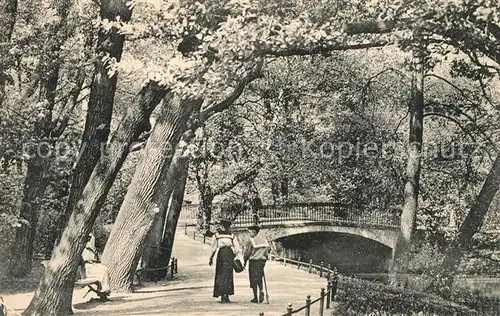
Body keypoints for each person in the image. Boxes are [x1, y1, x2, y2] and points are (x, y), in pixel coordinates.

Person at [209, 218, 240, 303]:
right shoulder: (232, 236)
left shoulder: (217, 236)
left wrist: (211, 258)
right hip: (229, 255)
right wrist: (233, 254)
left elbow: (213, 248)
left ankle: (222, 295)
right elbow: (237, 248)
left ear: (223, 226)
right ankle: (227, 294)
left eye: (221, 225)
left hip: (221, 255)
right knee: (228, 275)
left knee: (220, 274)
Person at [243, 225, 270, 303]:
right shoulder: (263, 240)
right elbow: (268, 251)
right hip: (262, 261)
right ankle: (261, 290)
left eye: (250, 232)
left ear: (254, 232)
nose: (249, 234)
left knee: (253, 278)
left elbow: (247, 253)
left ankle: (255, 297)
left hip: (253, 261)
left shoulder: (251, 241)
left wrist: (244, 262)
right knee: (259, 276)